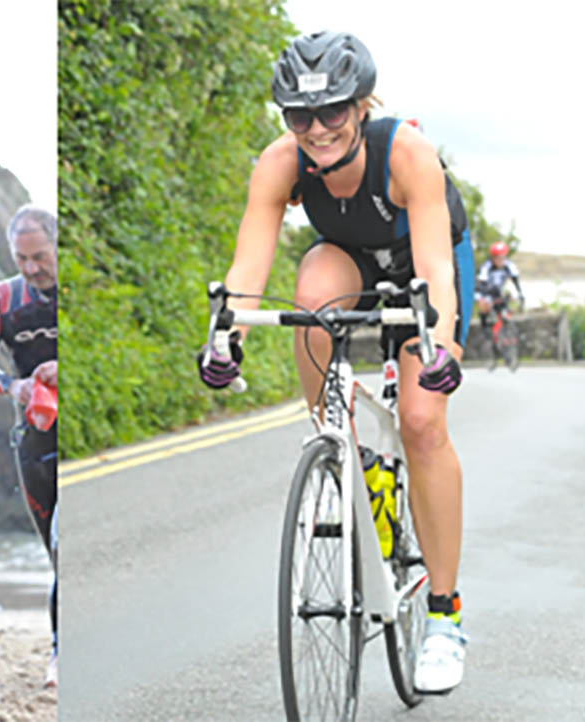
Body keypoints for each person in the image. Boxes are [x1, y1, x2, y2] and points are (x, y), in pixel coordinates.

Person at [199, 32, 473, 694]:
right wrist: (224, 333)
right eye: (300, 116)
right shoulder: (279, 163)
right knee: (312, 287)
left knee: (420, 419)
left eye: (332, 113)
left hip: (421, 271)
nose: (316, 129)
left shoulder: (407, 153)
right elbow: (249, 264)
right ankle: (334, 443)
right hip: (348, 259)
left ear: (361, 104)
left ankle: (443, 617)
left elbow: (436, 265)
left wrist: (442, 345)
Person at [0, 205, 59, 688]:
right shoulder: (4, 297)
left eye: (40, 256)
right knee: (57, 554)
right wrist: (12, 387)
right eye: (21, 258)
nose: (31, 268)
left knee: (69, 542)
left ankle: (63, 655)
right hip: (35, 439)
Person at [474, 240, 525, 330]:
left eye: (502, 258)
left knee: (507, 302)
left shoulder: (509, 265)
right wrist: (485, 298)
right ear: (493, 258)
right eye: (497, 258)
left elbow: (515, 281)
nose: (500, 260)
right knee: (486, 304)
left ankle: (506, 328)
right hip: (484, 290)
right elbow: (481, 284)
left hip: (498, 291)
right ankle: (484, 326)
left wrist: (520, 294)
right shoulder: (486, 266)